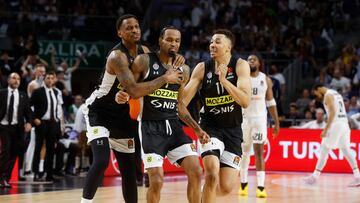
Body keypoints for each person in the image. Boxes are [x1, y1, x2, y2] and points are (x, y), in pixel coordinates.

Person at [81, 15, 184, 203]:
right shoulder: (117, 56)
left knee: (129, 169)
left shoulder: (144, 51)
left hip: (123, 115)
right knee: (102, 160)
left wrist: (175, 57)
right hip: (100, 112)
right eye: (129, 28)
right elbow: (136, 89)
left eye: (137, 26)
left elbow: (159, 63)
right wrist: (164, 79)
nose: (135, 30)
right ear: (119, 33)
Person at [117, 26, 209, 203]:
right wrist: (122, 95)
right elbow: (132, 90)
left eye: (177, 41)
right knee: (157, 181)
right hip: (150, 128)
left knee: (196, 171)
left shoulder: (185, 70)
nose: (173, 44)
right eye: (169, 39)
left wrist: (197, 129)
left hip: (174, 127)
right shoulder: (144, 61)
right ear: (160, 41)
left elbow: (180, 106)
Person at [182, 29, 251, 203]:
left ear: (228, 47)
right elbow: (181, 102)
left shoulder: (240, 65)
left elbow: (245, 101)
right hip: (209, 128)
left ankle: (203, 195)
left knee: (226, 187)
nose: (212, 44)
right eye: (211, 41)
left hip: (233, 131)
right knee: (212, 173)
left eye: (218, 41)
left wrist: (224, 81)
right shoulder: (202, 68)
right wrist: (179, 81)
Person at [239, 54, 280, 198]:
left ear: (259, 63)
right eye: (249, 59)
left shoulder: (265, 79)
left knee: (258, 152)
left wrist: (276, 122)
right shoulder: (242, 78)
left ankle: (261, 187)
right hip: (244, 120)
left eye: (253, 59)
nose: (251, 61)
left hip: (259, 120)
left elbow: (271, 102)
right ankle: (243, 184)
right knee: (244, 153)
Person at [304, 84, 360, 186]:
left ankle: (314, 177)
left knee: (324, 148)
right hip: (344, 124)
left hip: (336, 125)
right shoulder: (336, 93)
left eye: (316, 93)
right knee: (346, 151)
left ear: (319, 89)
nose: (317, 96)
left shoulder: (328, 95)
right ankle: (358, 176)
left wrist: (326, 129)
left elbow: (333, 112)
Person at [0, 73, 32, 188]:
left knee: (14, 153)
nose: (16, 80)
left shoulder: (23, 95)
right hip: (3, 126)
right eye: (14, 78)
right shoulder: (2, 93)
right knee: (6, 151)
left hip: (17, 128)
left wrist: (29, 122)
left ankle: (6, 179)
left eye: (18, 78)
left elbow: (28, 112)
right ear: (8, 80)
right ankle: (2, 177)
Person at [30, 71, 63, 182]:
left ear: (54, 80)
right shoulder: (38, 91)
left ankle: (49, 174)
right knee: (38, 147)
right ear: (44, 79)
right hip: (42, 122)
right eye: (48, 78)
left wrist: (59, 124)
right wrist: (34, 119)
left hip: (53, 123)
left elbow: (58, 110)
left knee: (51, 149)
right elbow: (28, 106)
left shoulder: (56, 92)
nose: (50, 80)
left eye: (51, 78)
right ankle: (36, 173)